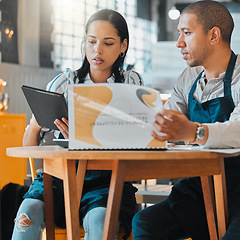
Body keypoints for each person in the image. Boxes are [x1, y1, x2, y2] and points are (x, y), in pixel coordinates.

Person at [132, 1, 240, 239]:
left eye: (187, 33)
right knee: (145, 222)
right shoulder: (188, 78)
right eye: (179, 34)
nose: (179, 43)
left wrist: (193, 132)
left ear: (214, 35)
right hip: (205, 187)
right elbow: (165, 123)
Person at [12, 9, 142, 240]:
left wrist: (88, 134)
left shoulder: (131, 83)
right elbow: (29, 147)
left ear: (123, 46)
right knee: (26, 214)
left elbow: (141, 137)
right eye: (91, 41)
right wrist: (35, 124)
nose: (97, 50)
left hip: (107, 179)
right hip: (59, 177)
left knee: (99, 221)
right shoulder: (65, 82)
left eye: (108, 43)